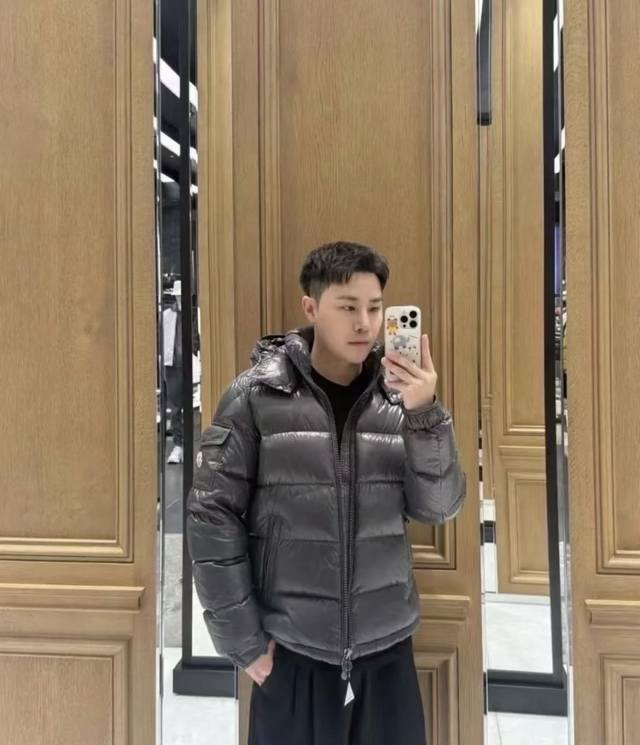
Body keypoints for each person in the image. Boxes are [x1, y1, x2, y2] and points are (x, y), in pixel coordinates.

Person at [186, 241, 467, 745]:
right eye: (348, 307)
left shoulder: (401, 400)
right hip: (292, 655)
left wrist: (424, 414)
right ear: (311, 308)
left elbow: (439, 507)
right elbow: (212, 517)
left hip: (386, 653)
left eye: (375, 308)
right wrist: (244, 644)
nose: (365, 324)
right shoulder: (255, 397)